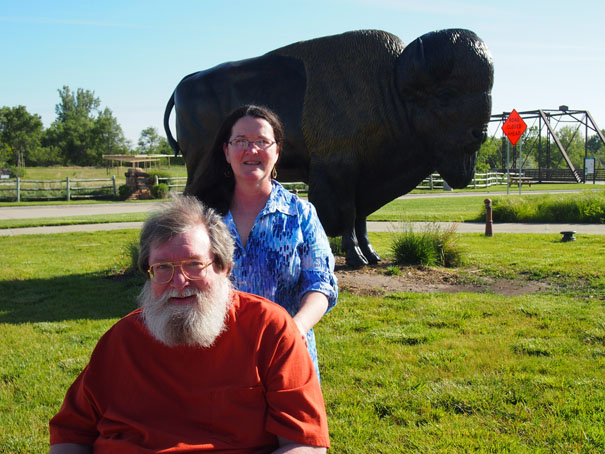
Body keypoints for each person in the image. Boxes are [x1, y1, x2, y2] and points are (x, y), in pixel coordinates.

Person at [49, 195, 330, 454]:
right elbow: (70, 434)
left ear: (224, 267)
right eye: (162, 268)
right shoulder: (121, 340)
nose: (179, 281)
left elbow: (304, 443)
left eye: (194, 265)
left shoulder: (269, 330)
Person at [190, 105, 338, 378]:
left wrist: (294, 329)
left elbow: (321, 284)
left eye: (262, 142)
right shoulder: (200, 217)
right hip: (217, 358)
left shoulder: (300, 215)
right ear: (226, 150)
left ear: (277, 150)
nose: (252, 150)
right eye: (241, 142)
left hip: (288, 354)